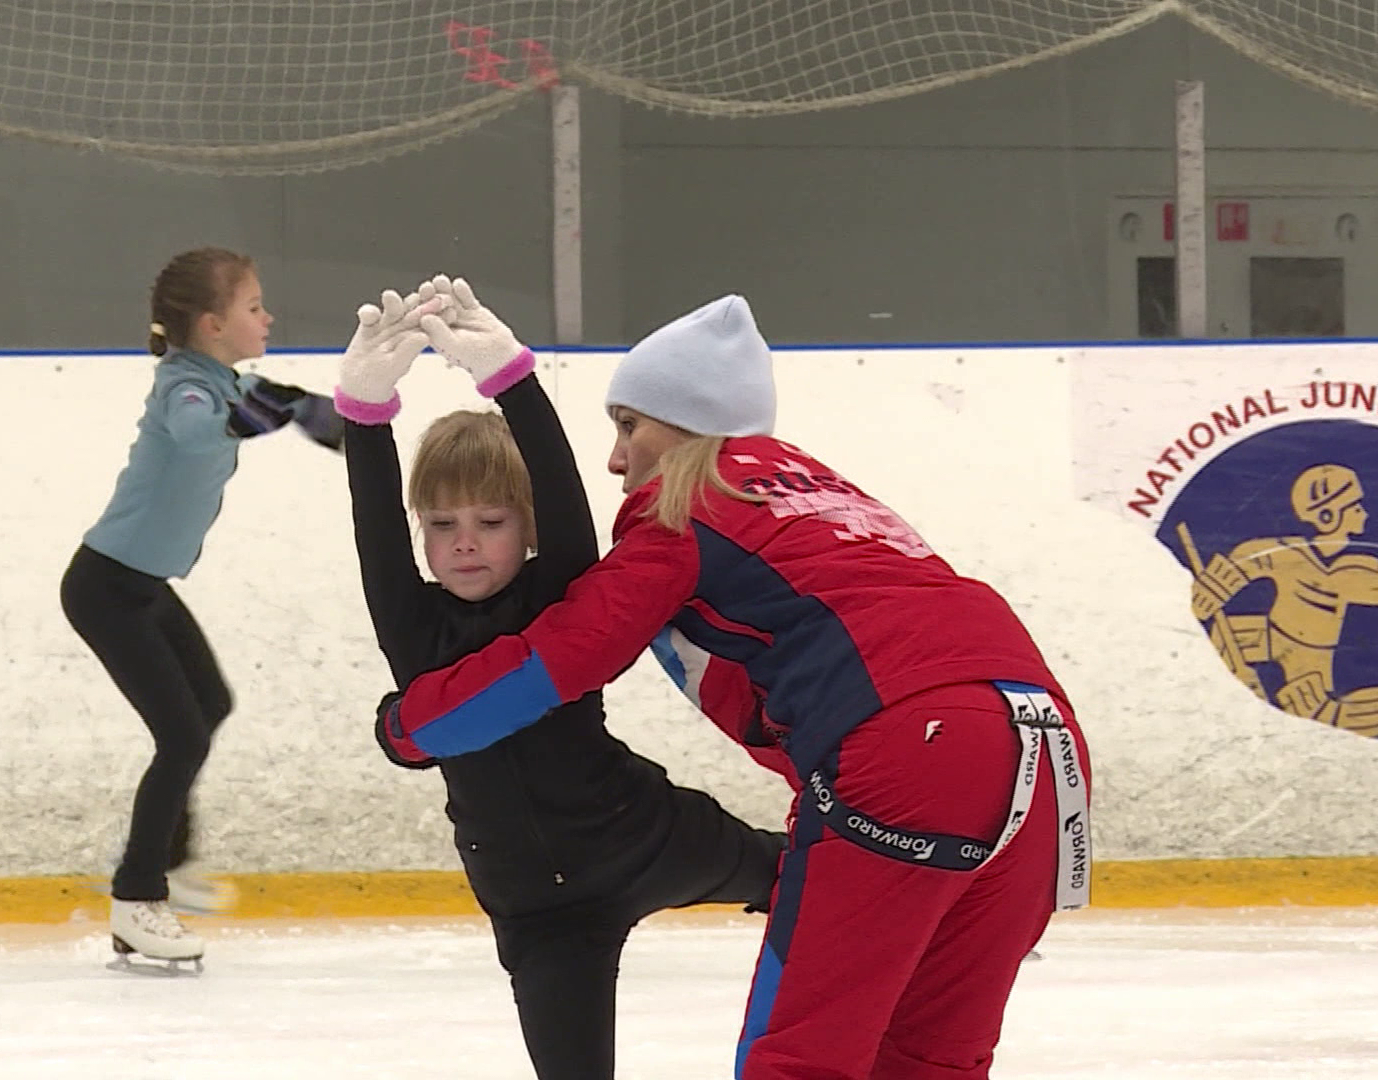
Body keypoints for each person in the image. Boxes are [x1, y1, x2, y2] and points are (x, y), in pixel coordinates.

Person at [377, 293, 1092, 1079]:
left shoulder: (687, 511)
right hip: (1050, 752)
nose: (617, 460)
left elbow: (559, 658)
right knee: (928, 1056)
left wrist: (414, 727)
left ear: (685, 424)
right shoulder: (819, 492)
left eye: (629, 427)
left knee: (801, 1058)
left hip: (914, 743)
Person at [334, 277, 786, 1079]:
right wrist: (363, 414)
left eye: (491, 522)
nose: (465, 544)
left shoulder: (559, 591)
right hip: (540, 914)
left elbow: (559, 483)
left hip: (646, 837)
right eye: (442, 526)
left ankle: (942, 905)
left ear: (530, 527)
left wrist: (511, 379)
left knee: (800, 871)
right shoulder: (414, 626)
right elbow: (374, 531)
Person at [61, 246, 344, 970]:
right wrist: (260, 413)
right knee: (182, 737)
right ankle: (136, 898)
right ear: (214, 324)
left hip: (142, 586)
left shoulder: (222, 380)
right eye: (254, 307)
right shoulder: (186, 390)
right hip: (108, 591)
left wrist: (335, 420)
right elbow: (196, 428)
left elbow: (290, 411)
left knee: (209, 705)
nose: (268, 316)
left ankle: (169, 862)